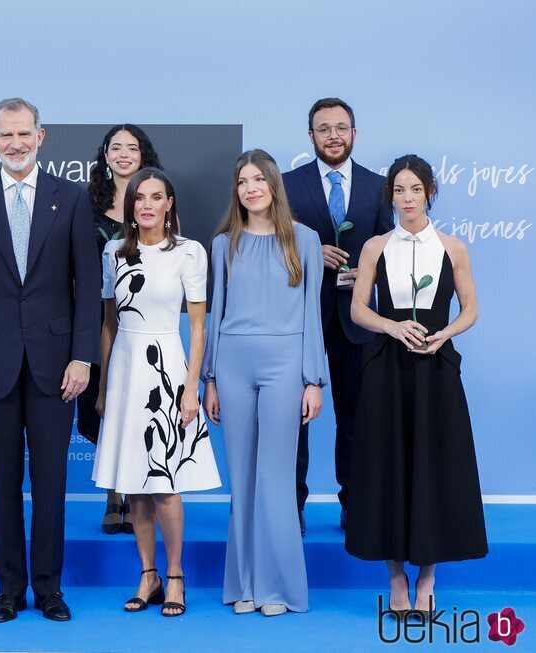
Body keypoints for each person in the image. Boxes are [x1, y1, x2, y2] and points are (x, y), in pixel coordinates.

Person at [0, 98, 100, 623]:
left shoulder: (73, 199)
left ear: (42, 136)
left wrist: (84, 357)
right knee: (2, 485)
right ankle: (9, 589)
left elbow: (89, 288)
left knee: (52, 484)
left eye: (24, 134)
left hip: (58, 367)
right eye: (5, 135)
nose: (15, 143)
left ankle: (50, 590)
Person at [345, 154, 487, 619]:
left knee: (432, 467)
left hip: (436, 370)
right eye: (399, 190)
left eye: (415, 189)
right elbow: (358, 310)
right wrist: (390, 326)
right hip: (387, 369)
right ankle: (394, 576)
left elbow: (469, 309)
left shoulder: (453, 247)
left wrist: (444, 333)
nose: (407, 198)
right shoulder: (374, 247)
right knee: (387, 467)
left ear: (430, 191)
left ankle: (427, 575)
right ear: (390, 196)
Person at [201, 149, 327, 616]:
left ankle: (278, 587)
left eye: (258, 179)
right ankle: (245, 584)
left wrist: (313, 379)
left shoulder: (305, 240)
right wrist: (209, 378)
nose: (250, 188)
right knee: (244, 477)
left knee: (275, 476)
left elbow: (313, 315)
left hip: (285, 363)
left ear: (273, 184)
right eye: (242, 181)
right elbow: (216, 315)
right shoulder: (223, 244)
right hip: (232, 362)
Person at [93, 168, 220, 617]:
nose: (146, 204)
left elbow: (199, 327)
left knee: (163, 481)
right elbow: (109, 325)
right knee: (135, 483)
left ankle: (176, 576)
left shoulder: (189, 252)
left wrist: (191, 386)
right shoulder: (114, 252)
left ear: (170, 203)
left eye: (156, 197)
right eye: (139, 197)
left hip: (166, 363)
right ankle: (147, 576)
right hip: (125, 370)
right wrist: (105, 384)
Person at [282, 98, 394, 535]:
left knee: (357, 416)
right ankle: (292, 506)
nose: (333, 135)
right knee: (293, 417)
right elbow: (272, 247)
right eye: (323, 128)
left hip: (359, 319)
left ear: (354, 134)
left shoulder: (379, 187)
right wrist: (310, 254)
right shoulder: (287, 185)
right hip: (299, 318)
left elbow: (393, 251)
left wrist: (365, 270)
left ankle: (356, 503)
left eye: (341, 127)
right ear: (310, 136)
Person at [81, 124, 164, 535]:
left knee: (136, 403)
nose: (125, 154)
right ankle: (112, 494)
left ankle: (132, 497)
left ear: (143, 154)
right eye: (117, 148)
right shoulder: (86, 203)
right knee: (102, 405)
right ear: (106, 155)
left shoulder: (155, 201)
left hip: (140, 318)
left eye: (133, 147)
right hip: (93, 315)